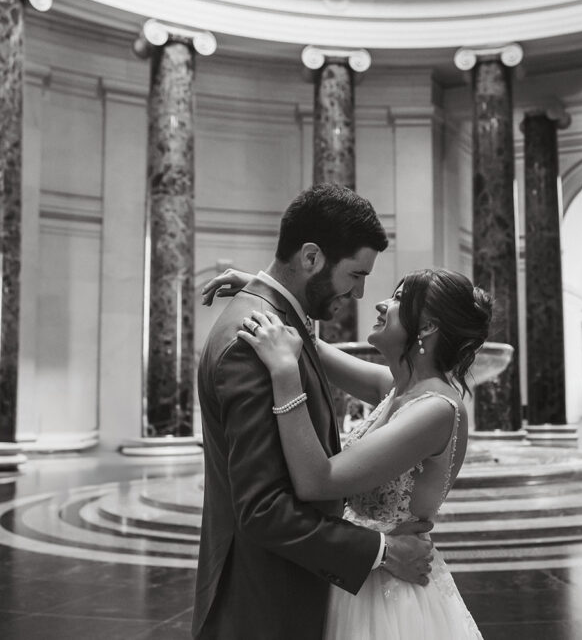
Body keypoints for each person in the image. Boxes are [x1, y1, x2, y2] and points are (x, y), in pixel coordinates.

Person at [193, 185, 435, 640]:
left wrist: (262, 287)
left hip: (285, 590)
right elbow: (264, 509)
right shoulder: (254, 344)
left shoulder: (277, 326)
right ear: (310, 258)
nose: (362, 293)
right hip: (261, 605)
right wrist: (384, 551)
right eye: (356, 274)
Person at [236, 267, 491, 639]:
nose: (381, 302)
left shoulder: (435, 409)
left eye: (400, 298)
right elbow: (313, 346)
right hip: (361, 572)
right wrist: (264, 289)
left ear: (427, 328)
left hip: (389, 599)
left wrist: (286, 375)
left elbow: (316, 480)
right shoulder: (401, 387)